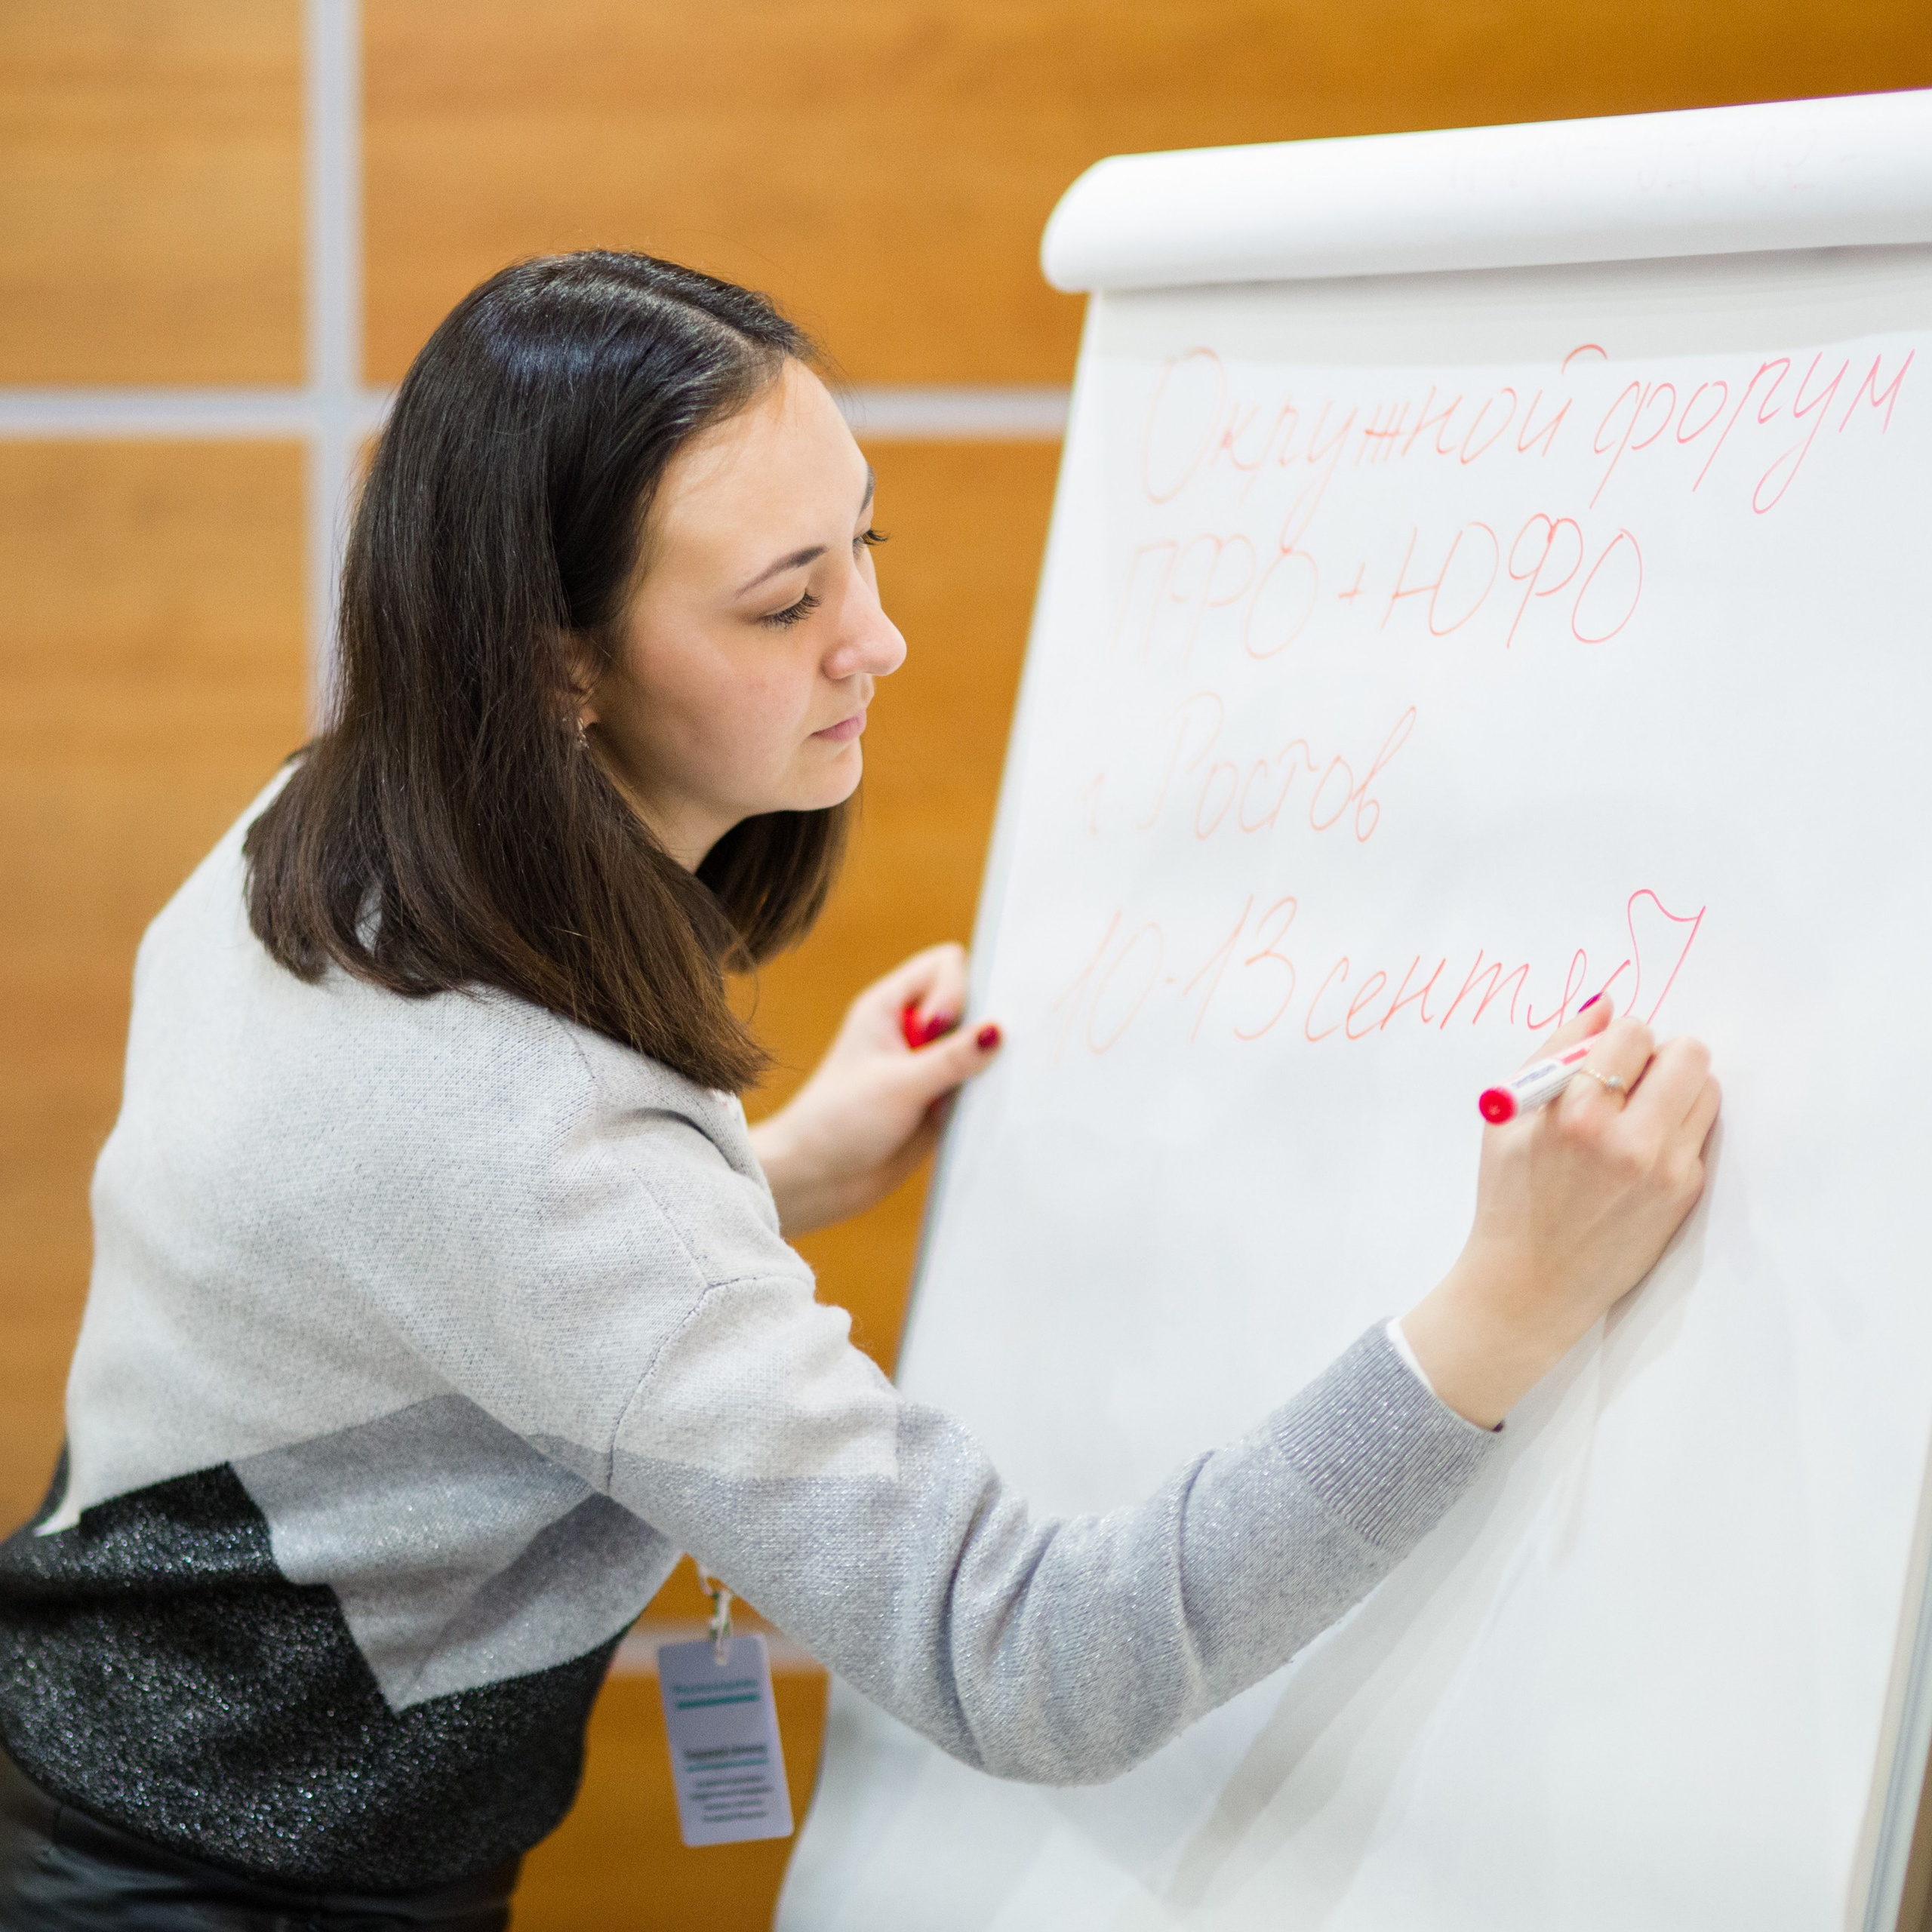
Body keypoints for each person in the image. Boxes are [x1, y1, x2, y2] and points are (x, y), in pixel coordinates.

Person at [0, 252, 1719, 1930]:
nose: (876, 640)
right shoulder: (538, 1151)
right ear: (555, 664)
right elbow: (1034, 1658)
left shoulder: (322, 835)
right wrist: (1509, 1303)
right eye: (785, 602)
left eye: (862, 548)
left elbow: (410, 1250)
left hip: (80, 1763)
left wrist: (777, 1168)